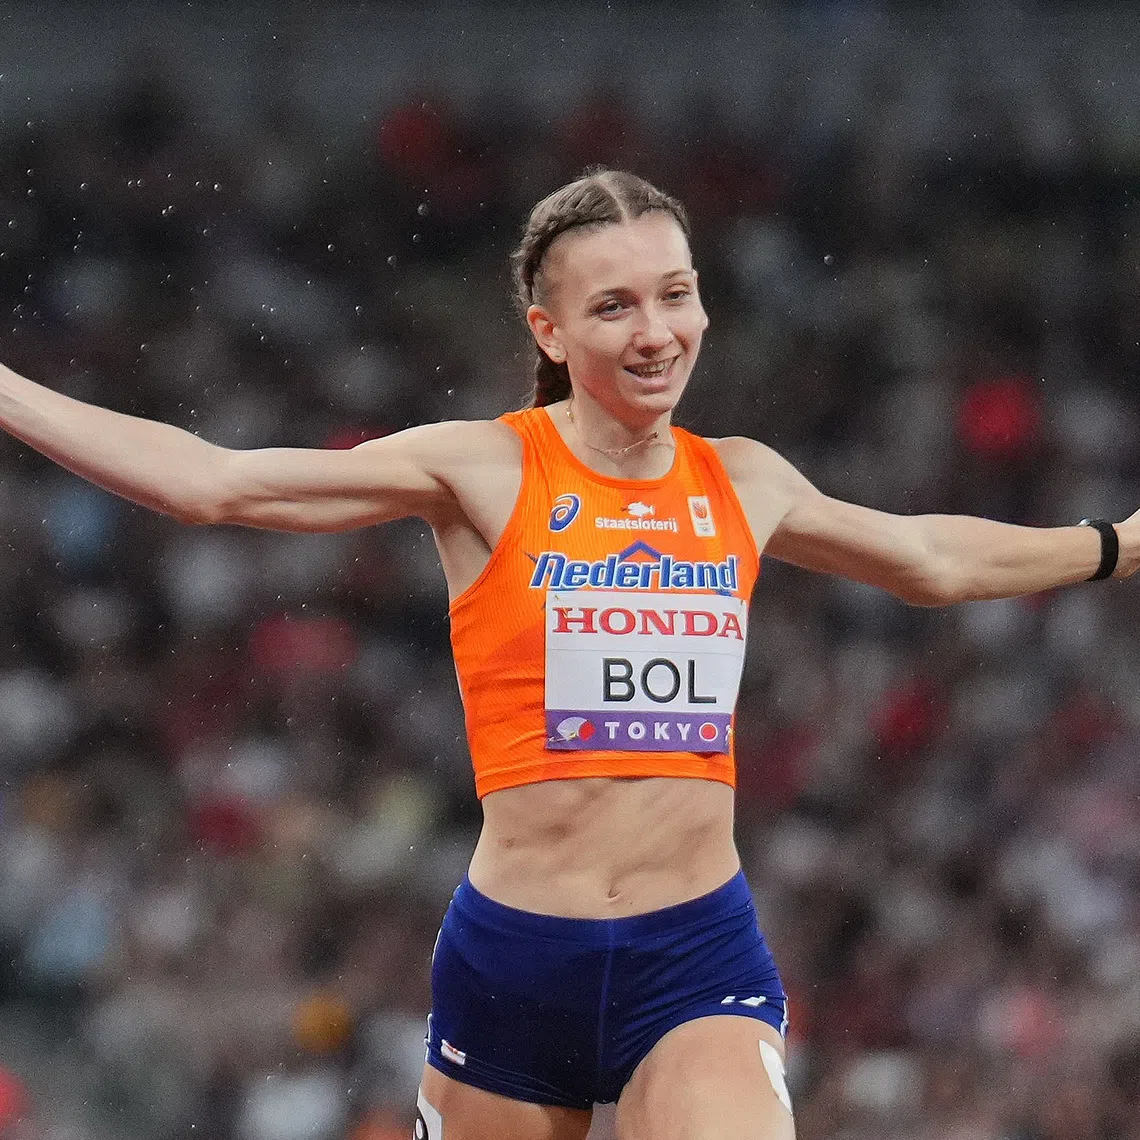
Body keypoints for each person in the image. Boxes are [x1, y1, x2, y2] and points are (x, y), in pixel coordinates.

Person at [0, 168, 1135, 1140]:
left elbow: (929, 558)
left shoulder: (742, 480)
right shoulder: (483, 470)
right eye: (616, 305)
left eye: (678, 295)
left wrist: (1116, 546)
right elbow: (214, 483)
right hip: (513, 964)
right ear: (550, 330)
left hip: (694, 954)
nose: (658, 331)